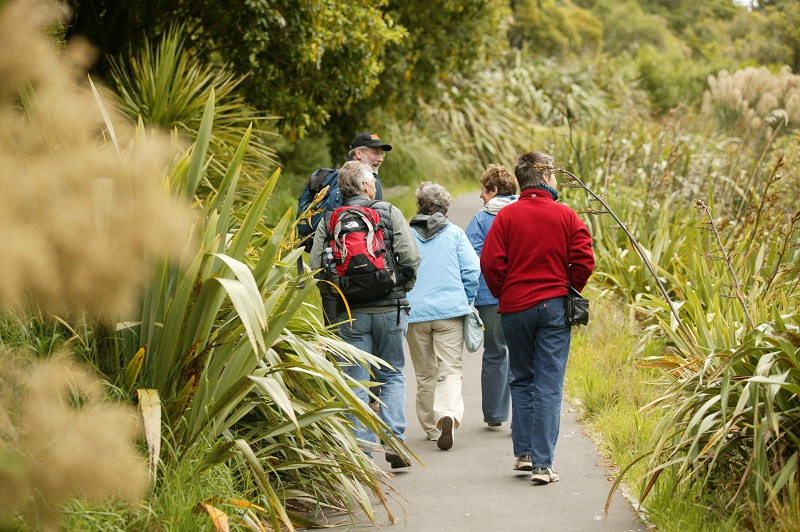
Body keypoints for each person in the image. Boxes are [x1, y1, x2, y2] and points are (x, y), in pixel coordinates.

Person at [480, 151, 594, 484]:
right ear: (546, 178)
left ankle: (525, 455)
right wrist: (568, 286)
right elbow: (584, 259)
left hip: (514, 308)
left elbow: (490, 263)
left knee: (522, 379)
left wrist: (506, 291)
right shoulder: (566, 215)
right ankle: (544, 465)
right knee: (548, 383)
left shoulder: (506, 217)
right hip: (553, 307)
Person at [309, 160, 420, 469]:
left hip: (350, 311)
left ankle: (361, 454)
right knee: (392, 372)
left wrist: (335, 294)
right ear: (366, 187)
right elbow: (411, 256)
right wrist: (402, 287)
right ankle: (394, 441)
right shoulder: (388, 212)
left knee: (355, 379)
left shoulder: (330, 220)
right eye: (371, 180)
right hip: (390, 308)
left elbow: (316, 266)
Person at [406, 182, 480, 451]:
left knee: (425, 373)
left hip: (415, 313)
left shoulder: (407, 234)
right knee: (450, 369)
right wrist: (466, 299)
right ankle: (446, 414)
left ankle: (429, 429)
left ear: (419, 205)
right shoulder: (455, 234)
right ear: (446, 206)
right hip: (450, 313)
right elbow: (472, 270)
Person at [298, 131, 392, 326]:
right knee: (365, 329)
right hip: (363, 270)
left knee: (335, 329)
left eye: (381, 153)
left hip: (332, 267)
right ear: (358, 152)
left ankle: (334, 355)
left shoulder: (336, 181)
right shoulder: (369, 183)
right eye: (375, 152)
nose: (380, 158)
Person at [465, 164, 518, 429]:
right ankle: (521, 415)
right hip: (522, 294)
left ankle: (496, 414)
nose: (481, 197)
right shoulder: (524, 213)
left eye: (484, 191)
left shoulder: (481, 219)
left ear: (494, 190)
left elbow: (470, 259)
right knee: (520, 354)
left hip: (490, 296)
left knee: (495, 352)